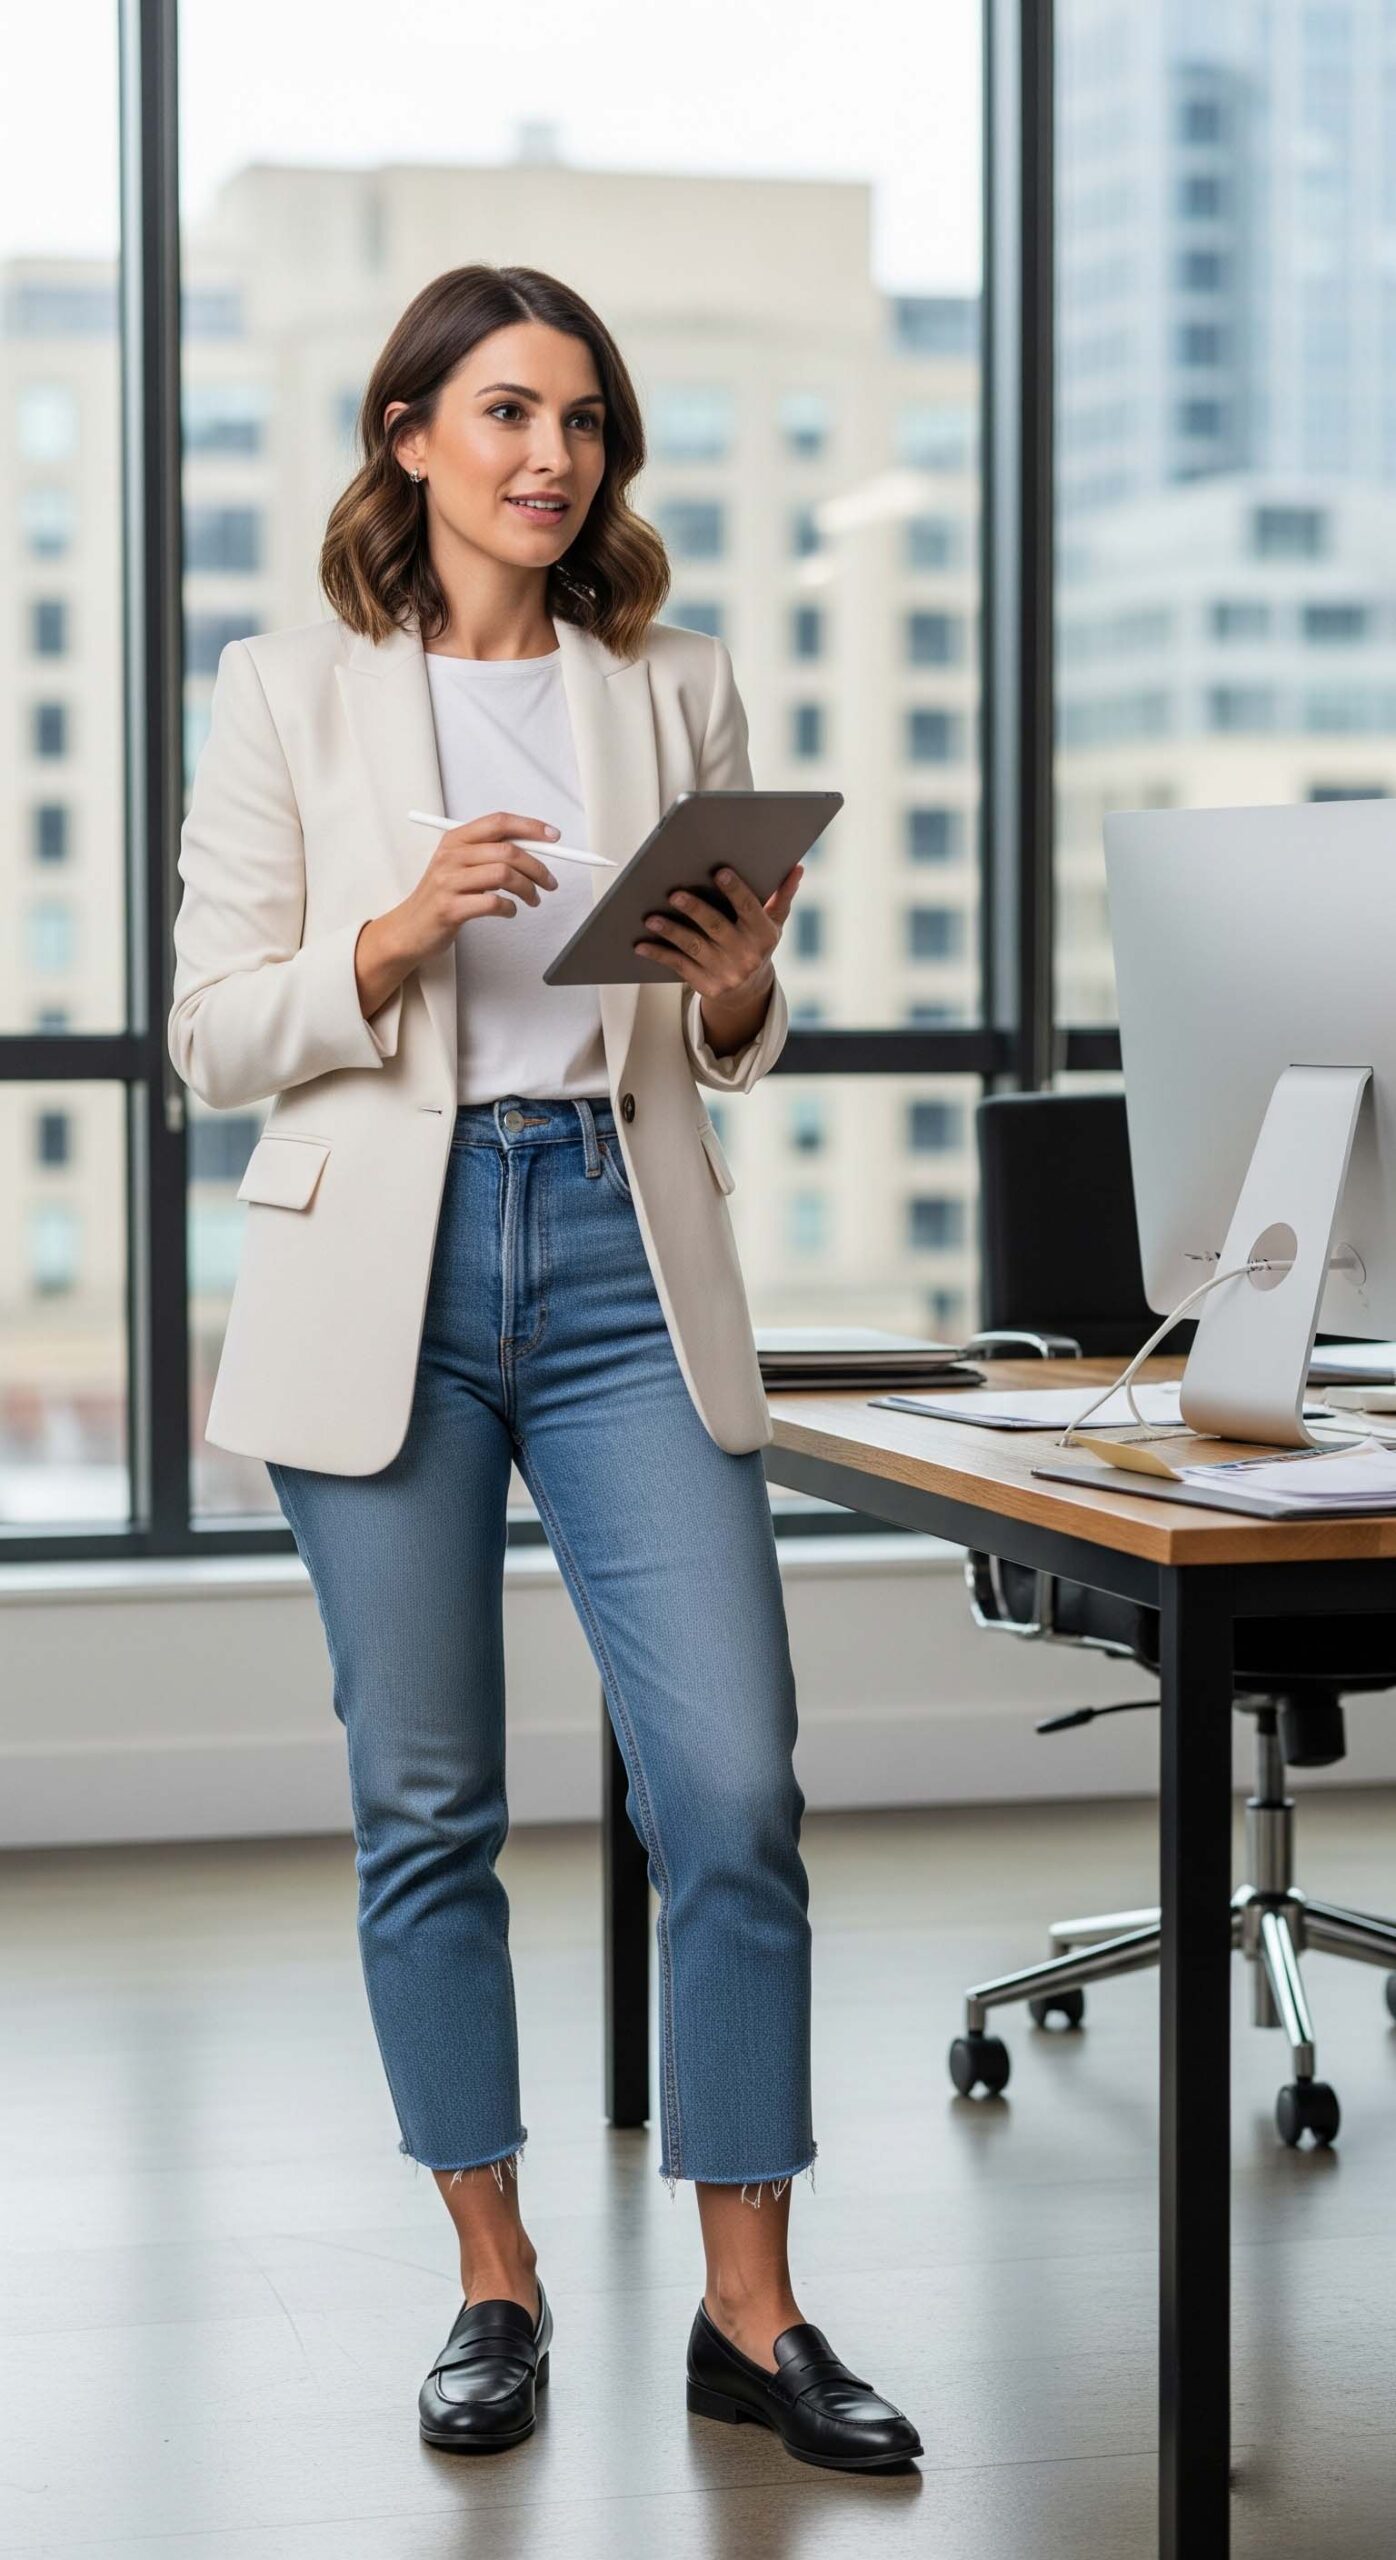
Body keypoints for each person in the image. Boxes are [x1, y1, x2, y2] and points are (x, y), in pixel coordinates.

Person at [168, 260, 922, 2473]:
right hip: (377, 1270)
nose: (549, 454)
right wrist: (393, 934)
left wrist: (734, 977)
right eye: (504, 411)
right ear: (408, 435)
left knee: (734, 1788)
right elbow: (210, 1035)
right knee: (430, 1807)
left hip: (614, 1247)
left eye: (580, 419)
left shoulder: (669, 683)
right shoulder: (283, 690)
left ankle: (749, 2308)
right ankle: (491, 2278)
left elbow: (725, 1040)